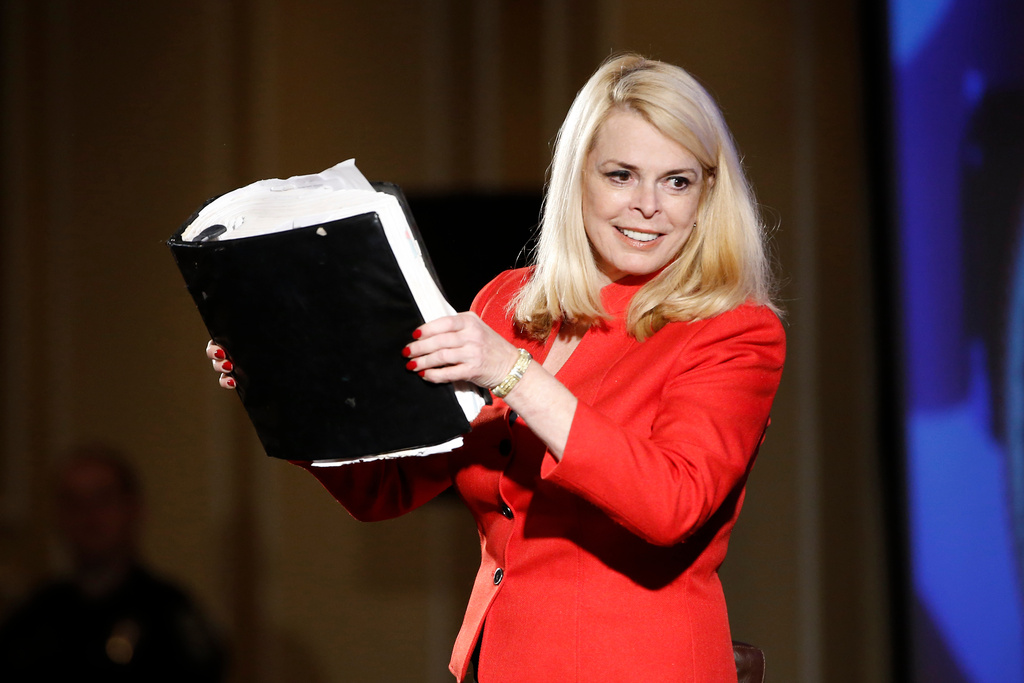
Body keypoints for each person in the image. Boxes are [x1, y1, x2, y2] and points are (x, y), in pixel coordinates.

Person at [208, 53, 785, 682]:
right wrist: (288, 384)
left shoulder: (734, 331)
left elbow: (672, 504)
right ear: (577, 179)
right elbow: (389, 489)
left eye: (677, 181)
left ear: (708, 194)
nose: (648, 205)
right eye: (621, 175)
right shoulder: (507, 306)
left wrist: (514, 375)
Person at [0, 445, 226, 682]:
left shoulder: (168, 610)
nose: (88, 516)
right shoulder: (36, 612)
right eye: (73, 503)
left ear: (132, 508)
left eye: (102, 499)